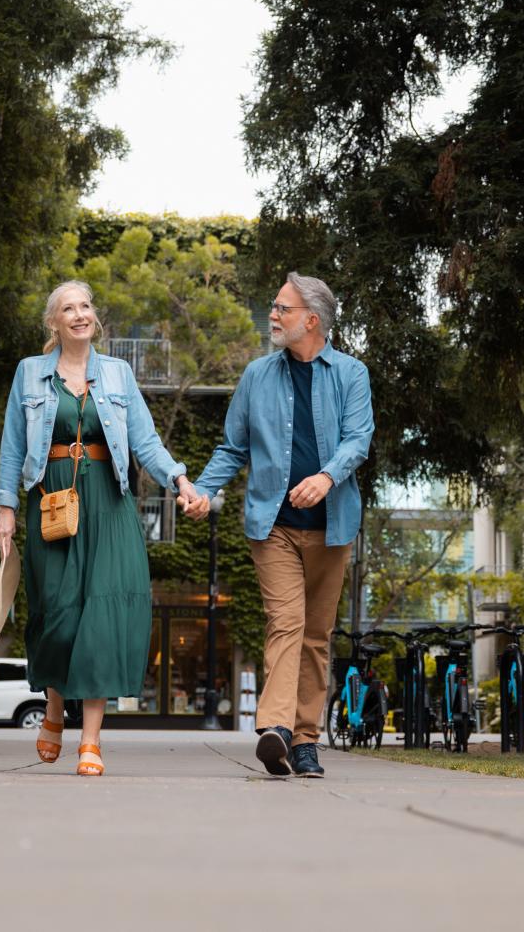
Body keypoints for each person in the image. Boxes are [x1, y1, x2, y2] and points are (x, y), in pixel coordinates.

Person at [0, 280, 202, 776]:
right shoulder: (29, 374)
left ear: (94, 318)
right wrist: (5, 509)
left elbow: (145, 440)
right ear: (54, 321)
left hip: (108, 501)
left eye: (85, 306)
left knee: (102, 618)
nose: (80, 314)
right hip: (52, 500)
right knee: (57, 616)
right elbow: (11, 447)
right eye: (69, 308)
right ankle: (52, 709)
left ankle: (90, 740)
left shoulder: (117, 373)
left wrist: (180, 480)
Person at [185, 272, 373, 777]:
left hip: (332, 525)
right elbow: (233, 446)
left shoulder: (352, 374)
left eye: (281, 308)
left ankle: (306, 741)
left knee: (316, 635)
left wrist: (328, 477)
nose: (272, 314)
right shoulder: (257, 376)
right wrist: (204, 489)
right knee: (286, 623)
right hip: (273, 526)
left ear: (311, 319)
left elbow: (358, 439)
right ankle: (278, 729)